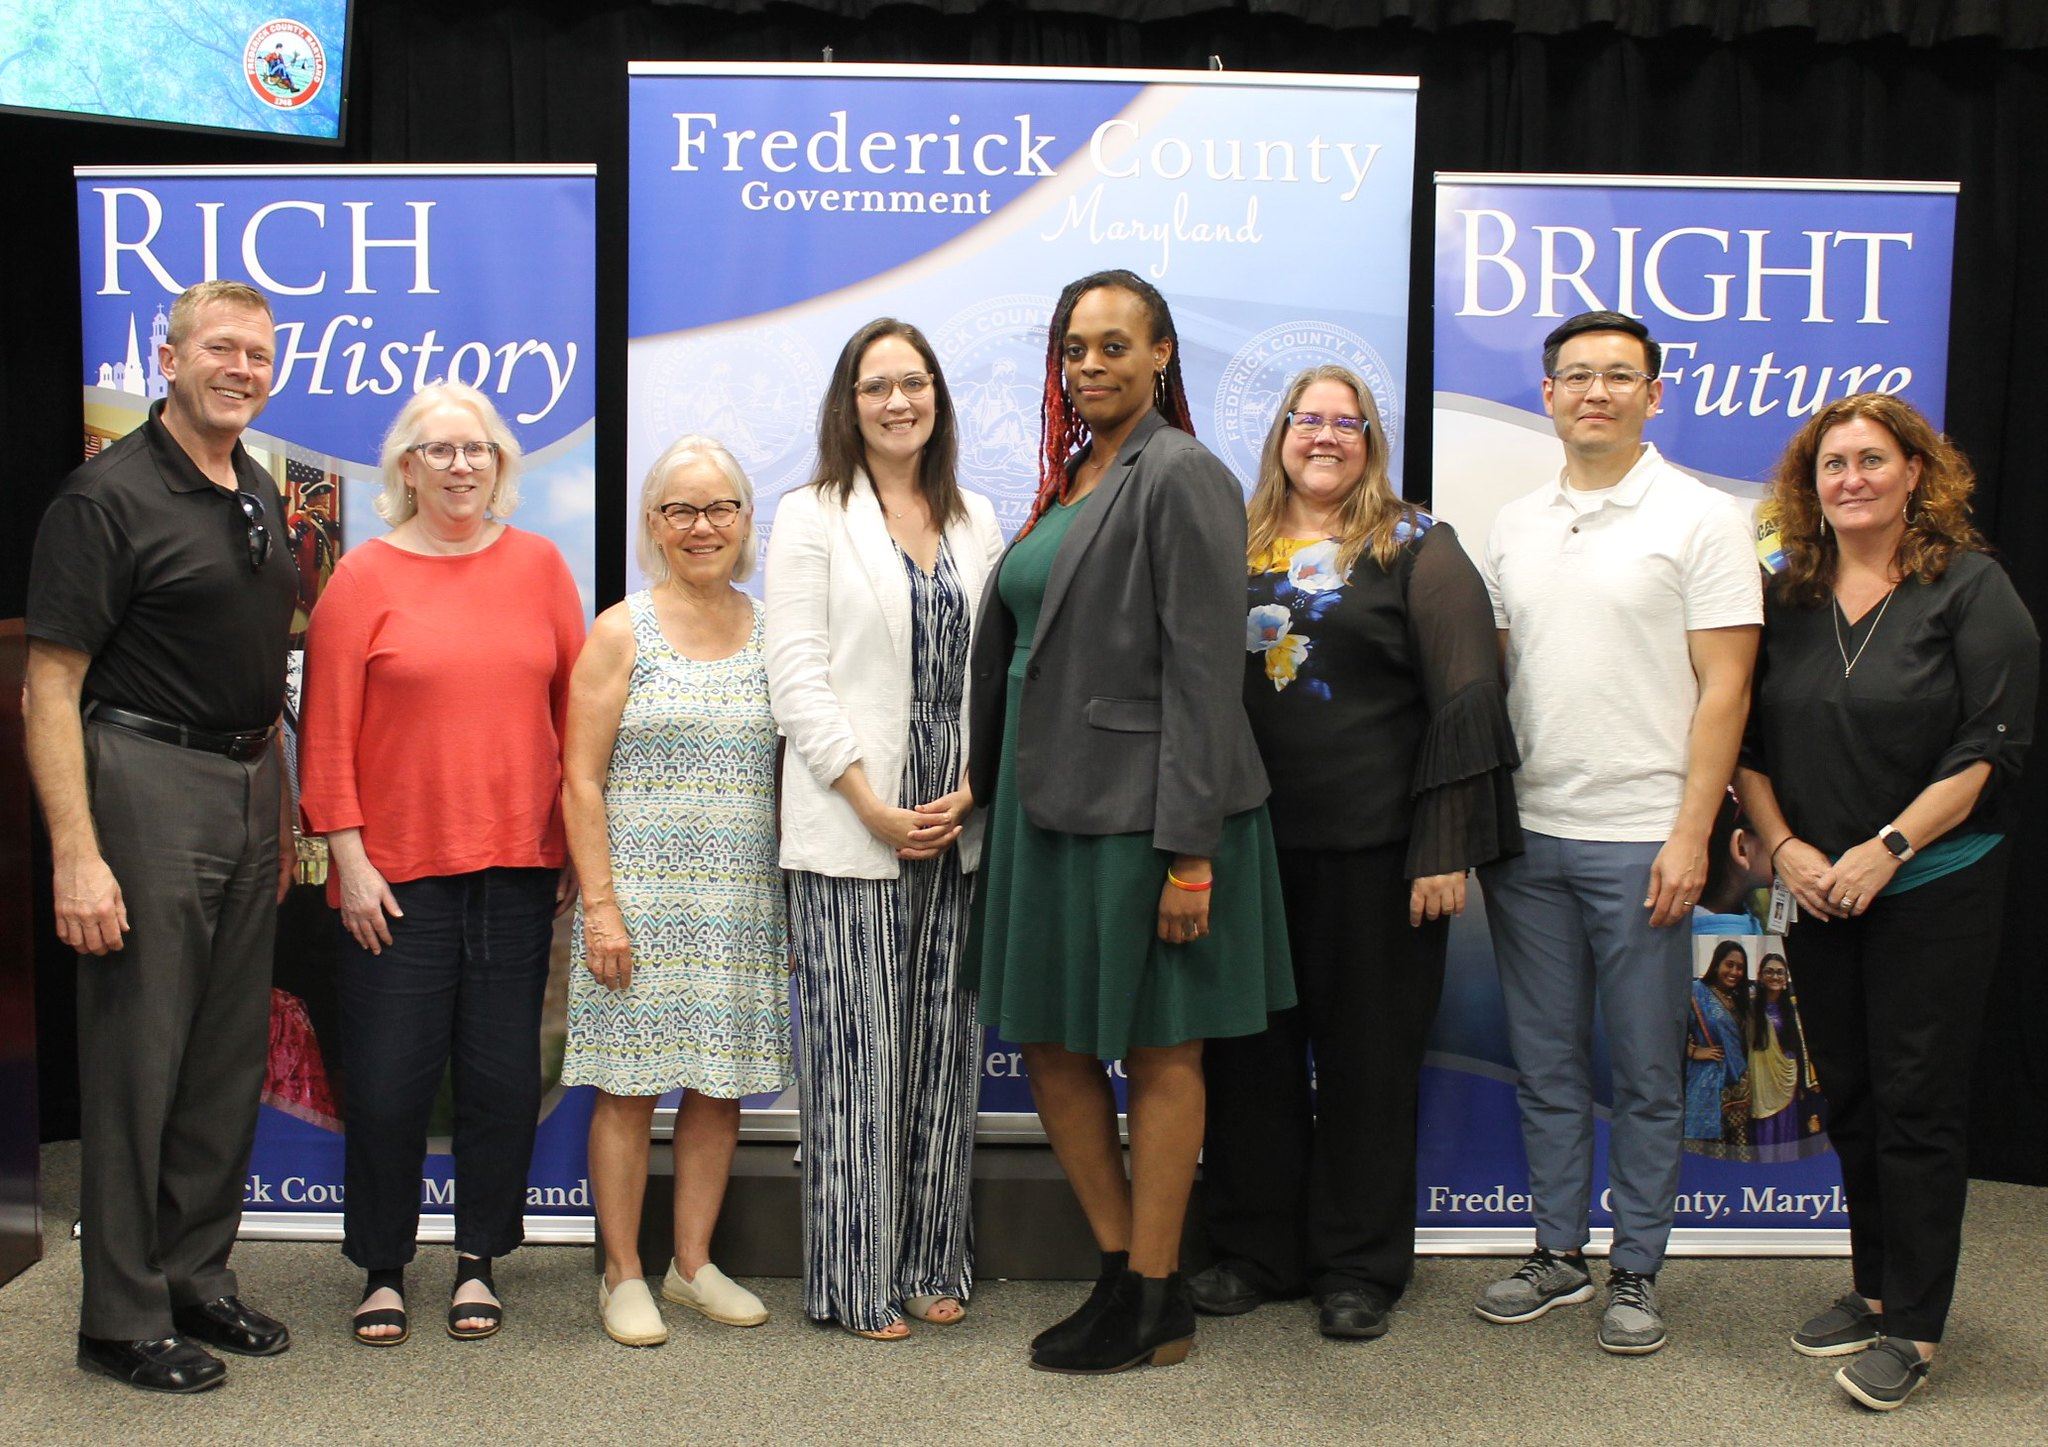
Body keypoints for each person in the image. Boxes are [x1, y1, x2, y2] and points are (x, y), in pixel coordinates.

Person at [967, 269, 1294, 1374]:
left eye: (1113, 345)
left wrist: (1191, 854)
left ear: (1161, 353)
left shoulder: (1182, 472)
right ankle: (1122, 1267)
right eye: (1073, 348)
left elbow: (1208, 676)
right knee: (1052, 1048)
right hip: (1042, 810)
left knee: (1159, 1051)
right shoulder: (1072, 476)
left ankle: (1157, 1292)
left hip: (1148, 817)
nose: (1090, 365)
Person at [1194, 365, 1521, 1340]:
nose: (1325, 436)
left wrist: (1444, 845)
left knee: (1365, 1067)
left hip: (1379, 859)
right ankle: (1257, 1249)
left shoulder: (1417, 546)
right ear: (1279, 435)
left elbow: (1467, 698)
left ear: (1370, 438)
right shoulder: (1229, 546)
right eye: (1308, 419)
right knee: (1245, 1064)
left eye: (1347, 421)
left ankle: (1357, 1266)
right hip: (1246, 854)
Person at [1734, 392, 2037, 1411]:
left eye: (1870, 459)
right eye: (1831, 465)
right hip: (1818, 890)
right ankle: (1870, 1288)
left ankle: (1913, 1325)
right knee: (1853, 1096)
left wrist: (1885, 847)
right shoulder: (1787, 597)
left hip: (1931, 884)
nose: (1849, 479)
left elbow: (1990, 748)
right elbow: (1748, 751)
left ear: (1915, 472)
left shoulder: (1969, 588)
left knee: (1915, 1102)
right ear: (1807, 486)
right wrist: (1783, 847)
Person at [24, 280, 297, 1393]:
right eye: (220, 349)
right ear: (168, 357)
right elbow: (50, 687)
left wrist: (274, 805)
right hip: (142, 780)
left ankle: (195, 1276)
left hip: (243, 778)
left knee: (227, 1056)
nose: (242, 368)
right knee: (140, 1058)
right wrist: (76, 852)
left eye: (260, 354)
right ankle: (119, 1315)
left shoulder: (262, 487)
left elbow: (261, 660)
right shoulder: (105, 499)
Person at [1475, 310, 1761, 1355]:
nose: (1594, 391)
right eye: (1575, 375)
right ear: (1546, 395)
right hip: (1526, 840)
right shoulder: (1510, 521)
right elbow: (1495, 681)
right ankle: (1557, 1250)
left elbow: (1726, 687)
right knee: (1544, 1062)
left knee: (1643, 1070)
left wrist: (1691, 833)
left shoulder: (1702, 517)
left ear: (1652, 393)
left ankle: (1635, 1266)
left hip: (1644, 839)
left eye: (1617, 376)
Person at [298, 382, 585, 1347]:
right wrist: (349, 856)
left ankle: (478, 1259)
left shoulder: (543, 568)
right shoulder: (361, 580)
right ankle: (383, 1266)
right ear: (407, 468)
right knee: (386, 1081)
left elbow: (572, 726)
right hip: (395, 875)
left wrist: (578, 848)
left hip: (517, 867)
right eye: (441, 450)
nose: (462, 466)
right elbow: (326, 737)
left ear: (501, 465)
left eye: (479, 450)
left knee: (501, 1079)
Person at [764, 319, 1005, 1340]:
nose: (897, 400)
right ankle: (853, 1275)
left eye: (913, 383)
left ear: (938, 399)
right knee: (859, 1057)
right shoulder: (809, 515)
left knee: (944, 1051)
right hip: (851, 820)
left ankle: (931, 1254)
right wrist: (867, 798)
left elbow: (996, 670)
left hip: (954, 821)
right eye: (876, 386)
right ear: (848, 403)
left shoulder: (978, 518)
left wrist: (969, 786)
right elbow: (795, 673)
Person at [562, 435, 793, 1348]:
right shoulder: (622, 629)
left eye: (721, 508)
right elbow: (579, 779)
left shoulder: (778, 629)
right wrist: (601, 906)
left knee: (717, 1086)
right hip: (639, 904)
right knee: (625, 1090)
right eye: (681, 511)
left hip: (738, 898)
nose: (703, 527)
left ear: (745, 521)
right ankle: (620, 1270)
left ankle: (691, 1262)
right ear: (653, 527)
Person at [1747, 954, 1821, 1161]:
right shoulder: (1751, 1008)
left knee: (1786, 1129)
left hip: (1788, 1078)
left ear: (1786, 977)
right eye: (1769, 971)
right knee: (1765, 1128)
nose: (1775, 976)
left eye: (1780, 972)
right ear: (1760, 976)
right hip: (1761, 1078)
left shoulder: (1792, 1010)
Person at [1684, 941, 1751, 1150]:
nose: (1734, 971)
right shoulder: (1697, 992)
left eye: (1739, 967)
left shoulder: (1740, 999)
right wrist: (1694, 1051)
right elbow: (1669, 1032)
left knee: (1738, 1150)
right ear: (1716, 965)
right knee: (1712, 1152)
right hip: (1707, 1085)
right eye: (1729, 965)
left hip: (1738, 1088)